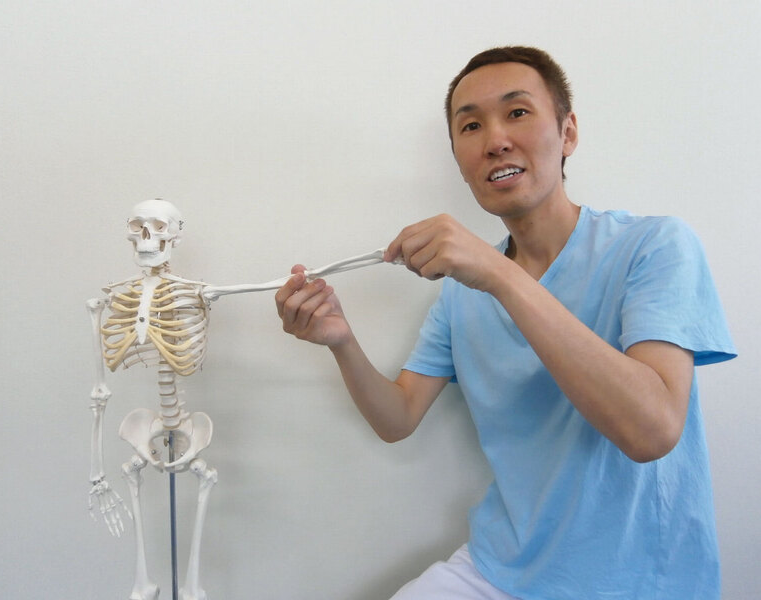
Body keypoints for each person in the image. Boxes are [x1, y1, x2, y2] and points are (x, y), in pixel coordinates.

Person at [274, 46, 736, 600]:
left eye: (517, 112)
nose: (495, 140)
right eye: (470, 125)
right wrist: (341, 341)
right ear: (460, 160)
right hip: (498, 571)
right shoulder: (459, 293)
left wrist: (498, 273)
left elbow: (652, 431)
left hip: (641, 582)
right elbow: (397, 418)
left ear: (567, 133)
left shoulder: (655, 246)